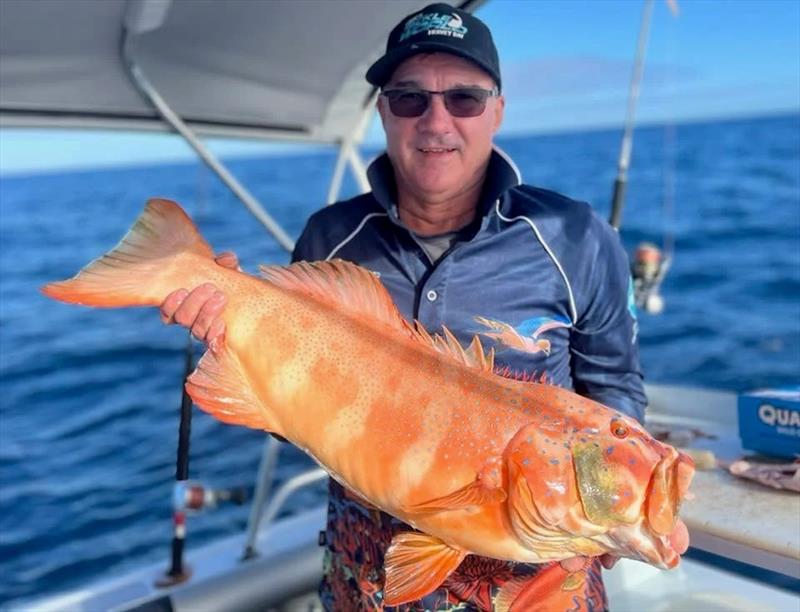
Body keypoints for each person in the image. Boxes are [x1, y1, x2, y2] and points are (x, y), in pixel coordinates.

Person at [160, 3, 647, 610]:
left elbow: (615, 385)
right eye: (410, 98)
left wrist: (607, 499)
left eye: (464, 99)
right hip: (366, 581)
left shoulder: (573, 236)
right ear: (383, 112)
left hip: (539, 581)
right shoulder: (329, 238)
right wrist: (233, 341)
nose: (436, 121)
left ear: (497, 110)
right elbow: (297, 420)